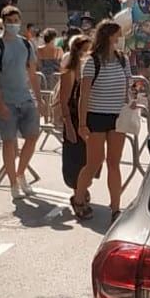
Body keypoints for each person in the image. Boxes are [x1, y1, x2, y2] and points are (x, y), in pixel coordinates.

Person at [73, 20, 132, 223]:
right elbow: (84, 95)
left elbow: (127, 88)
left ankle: (115, 208)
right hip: (96, 116)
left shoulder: (123, 60)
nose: (121, 38)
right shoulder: (92, 61)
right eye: (118, 34)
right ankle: (78, 198)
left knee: (114, 163)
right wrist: (82, 124)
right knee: (94, 162)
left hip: (117, 116)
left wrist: (131, 103)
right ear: (108, 36)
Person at [0, 5, 42, 202]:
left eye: (16, 21)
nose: (13, 24)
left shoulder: (26, 44)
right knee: (9, 142)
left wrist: (39, 98)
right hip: (6, 101)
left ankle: (20, 173)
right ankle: (13, 183)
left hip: (26, 98)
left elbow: (32, 74)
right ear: (3, 23)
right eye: (9, 21)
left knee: (32, 137)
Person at [58, 34, 91, 195]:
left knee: (88, 158)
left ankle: (83, 187)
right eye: (85, 50)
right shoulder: (69, 72)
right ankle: (78, 191)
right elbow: (64, 100)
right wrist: (69, 126)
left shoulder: (89, 71)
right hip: (74, 119)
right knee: (75, 158)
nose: (88, 54)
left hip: (87, 118)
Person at [37, 28, 63, 94]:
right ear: (53, 38)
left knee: (44, 95)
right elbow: (61, 65)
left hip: (43, 76)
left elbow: (38, 65)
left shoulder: (39, 49)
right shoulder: (58, 50)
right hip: (55, 77)